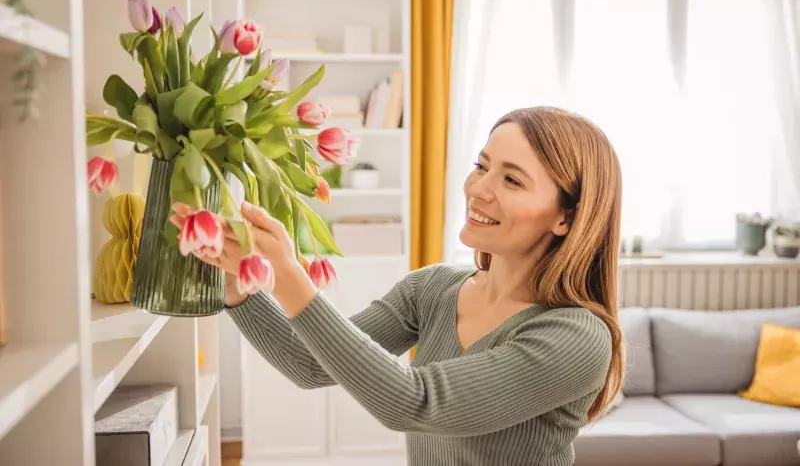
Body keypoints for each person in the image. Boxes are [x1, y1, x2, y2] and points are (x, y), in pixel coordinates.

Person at [172, 106, 625, 466]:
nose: (478, 189)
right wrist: (239, 289)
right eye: (480, 166)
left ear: (566, 216)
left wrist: (289, 276)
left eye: (511, 179)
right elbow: (308, 365)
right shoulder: (432, 289)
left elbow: (416, 403)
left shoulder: (576, 336)